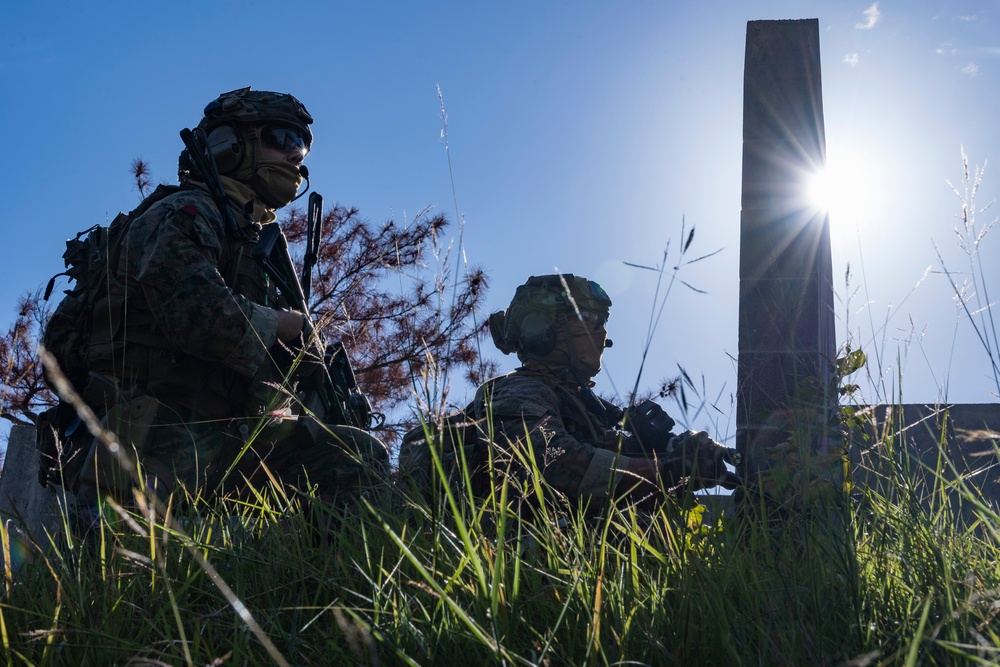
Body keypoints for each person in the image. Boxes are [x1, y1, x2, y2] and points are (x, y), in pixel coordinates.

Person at [64, 87, 388, 515]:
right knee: (137, 570)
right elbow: (196, 314)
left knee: (355, 456)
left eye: (303, 147)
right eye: (285, 139)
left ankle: (316, 583)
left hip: (222, 436)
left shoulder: (249, 242)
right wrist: (281, 325)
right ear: (232, 145)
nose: (298, 156)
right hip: (155, 433)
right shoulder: (187, 211)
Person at [401, 274, 738, 511]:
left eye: (602, 320)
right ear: (543, 332)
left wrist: (682, 450)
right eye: (588, 318)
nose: (601, 332)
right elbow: (556, 465)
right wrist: (671, 471)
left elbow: (608, 454)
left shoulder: (581, 406)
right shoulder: (519, 390)